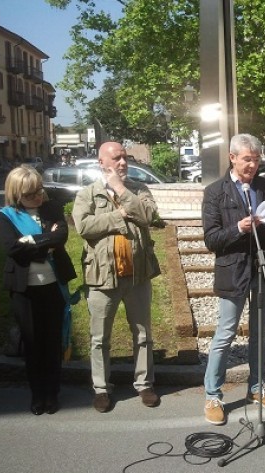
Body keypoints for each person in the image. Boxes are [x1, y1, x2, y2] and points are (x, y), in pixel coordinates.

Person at [202, 133, 265, 425]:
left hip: (263, 267)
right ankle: (213, 396)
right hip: (234, 270)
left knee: (259, 332)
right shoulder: (216, 191)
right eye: (247, 159)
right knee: (225, 333)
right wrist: (238, 229)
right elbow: (212, 240)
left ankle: (257, 387)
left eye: (256, 159)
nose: (253, 165)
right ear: (232, 158)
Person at [73, 142, 161, 413]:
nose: (123, 162)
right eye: (116, 158)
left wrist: (122, 192)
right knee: (100, 338)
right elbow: (84, 226)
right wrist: (119, 215)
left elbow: (149, 216)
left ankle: (144, 384)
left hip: (137, 275)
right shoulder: (88, 193)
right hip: (102, 277)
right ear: (102, 162)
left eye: (125, 157)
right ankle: (101, 388)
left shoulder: (138, 189)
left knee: (143, 333)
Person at [0, 165, 76, 415]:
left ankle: (52, 394)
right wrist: (43, 241)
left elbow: (60, 237)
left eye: (39, 191)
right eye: (30, 194)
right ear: (16, 194)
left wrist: (30, 242)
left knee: (52, 342)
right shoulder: (6, 215)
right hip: (25, 291)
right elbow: (12, 248)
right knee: (33, 344)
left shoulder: (51, 209)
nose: (37, 197)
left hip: (52, 286)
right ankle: (37, 394)